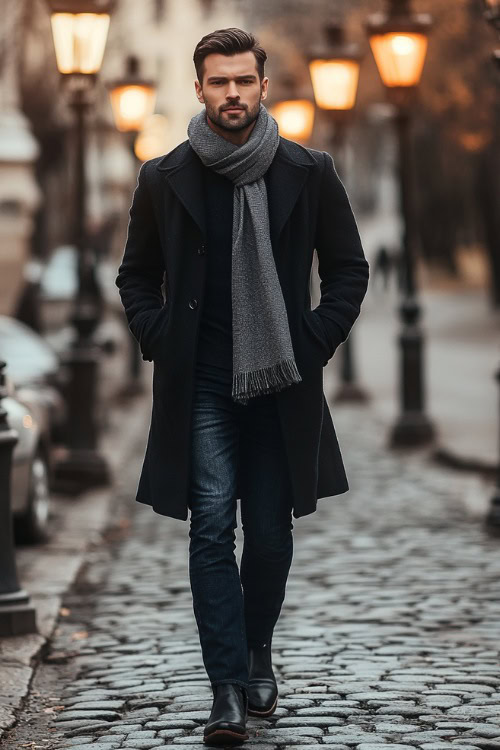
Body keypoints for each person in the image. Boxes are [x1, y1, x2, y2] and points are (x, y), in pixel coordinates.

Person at [115, 27, 369, 747]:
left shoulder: (307, 171)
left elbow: (349, 270)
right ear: (198, 89)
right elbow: (136, 275)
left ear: (264, 86)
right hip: (199, 385)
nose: (232, 93)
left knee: (269, 533)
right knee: (210, 529)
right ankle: (227, 685)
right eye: (218, 82)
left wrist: (314, 338)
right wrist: (160, 337)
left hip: (282, 382)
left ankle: (258, 650)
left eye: (243, 81)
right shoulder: (164, 177)